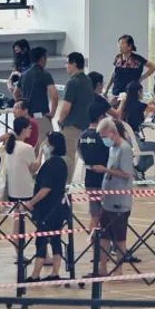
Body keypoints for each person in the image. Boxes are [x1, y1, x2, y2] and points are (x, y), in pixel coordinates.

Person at [93, 119, 136, 277]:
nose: (103, 139)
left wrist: (105, 170)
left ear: (113, 133)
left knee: (119, 237)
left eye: (104, 136)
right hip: (108, 199)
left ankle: (119, 269)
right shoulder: (112, 148)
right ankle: (102, 267)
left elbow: (126, 173)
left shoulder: (125, 149)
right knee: (104, 235)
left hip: (120, 201)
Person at [25, 132, 69, 282]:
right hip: (59, 208)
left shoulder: (50, 165)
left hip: (47, 209)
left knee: (41, 240)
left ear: (53, 146)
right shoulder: (62, 163)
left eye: (47, 143)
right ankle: (55, 272)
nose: (45, 145)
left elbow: (45, 189)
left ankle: (35, 274)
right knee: (56, 239)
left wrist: (31, 202)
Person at [57, 52, 94, 184]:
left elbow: (66, 106)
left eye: (67, 63)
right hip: (85, 125)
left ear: (73, 64)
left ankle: (65, 185)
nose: (66, 66)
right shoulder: (88, 81)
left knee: (68, 157)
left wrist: (60, 120)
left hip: (71, 125)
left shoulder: (72, 82)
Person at [80, 100, 112, 245]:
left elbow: (81, 154)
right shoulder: (103, 137)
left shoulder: (83, 135)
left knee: (94, 214)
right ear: (101, 117)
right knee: (107, 215)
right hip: (103, 180)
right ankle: (106, 244)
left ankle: (94, 245)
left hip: (89, 179)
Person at [18, 46, 59, 151]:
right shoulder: (45, 74)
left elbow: (15, 92)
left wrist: (20, 106)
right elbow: (54, 95)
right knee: (49, 146)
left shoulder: (24, 74)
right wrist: (52, 113)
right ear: (42, 59)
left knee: (29, 148)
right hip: (40, 116)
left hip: (26, 116)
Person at [106, 35, 155, 101]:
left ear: (130, 46)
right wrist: (107, 89)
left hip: (131, 94)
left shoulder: (137, 59)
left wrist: (141, 78)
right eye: (119, 44)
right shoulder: (118, 57)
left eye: (123, 43)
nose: (120, 46)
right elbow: (114, 74)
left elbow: (153, 66)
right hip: (117, 92)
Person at [4, 116, 41, 205]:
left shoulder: (9, 146)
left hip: (12, 191)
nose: (31, 130)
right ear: (23, 130)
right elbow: (33, 168)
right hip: (25, 192)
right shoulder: (27, 148)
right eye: (29, 128)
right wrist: (40, 152)